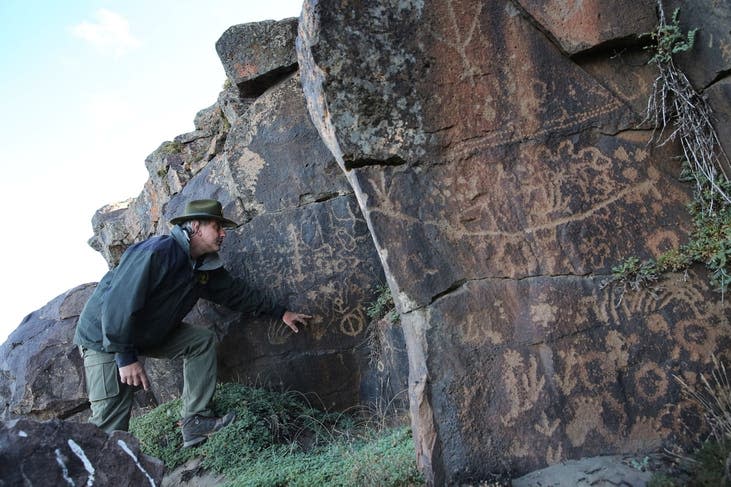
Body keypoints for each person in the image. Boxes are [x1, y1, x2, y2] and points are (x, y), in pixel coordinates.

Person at [74, 199, 311, 447]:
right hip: (104, 337)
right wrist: (124, 356)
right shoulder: (158, 251)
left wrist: (280, 312)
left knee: (200, 341)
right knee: (110, 421)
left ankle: (195, 421)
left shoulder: (203, 267)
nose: (223, 233)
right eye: (217, 227)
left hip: (145, 334)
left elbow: (236, 294)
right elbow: (118, 302)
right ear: (196, 226)